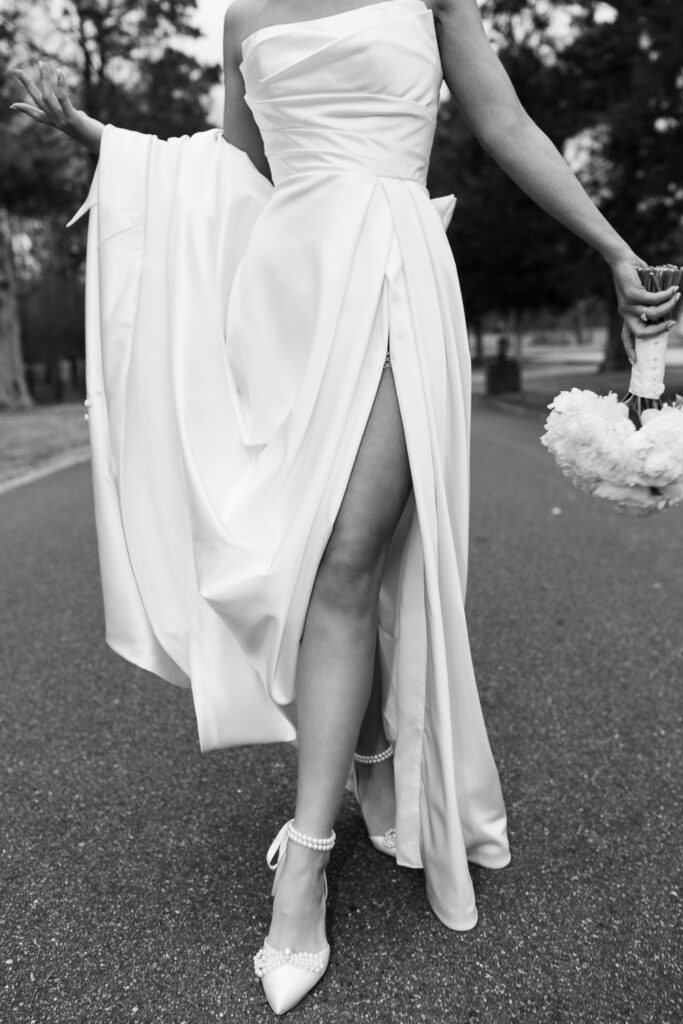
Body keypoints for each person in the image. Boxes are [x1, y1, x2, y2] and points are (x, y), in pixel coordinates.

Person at [12, 0, 679, 1015]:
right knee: (310, 553)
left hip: (396, 273)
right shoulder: (242, 20)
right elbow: (233, 175)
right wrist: (108, 145)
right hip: (284, 300)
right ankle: (366, 749)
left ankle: (304, 868)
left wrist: (608, 245)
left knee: (341, 556)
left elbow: (503, 124)